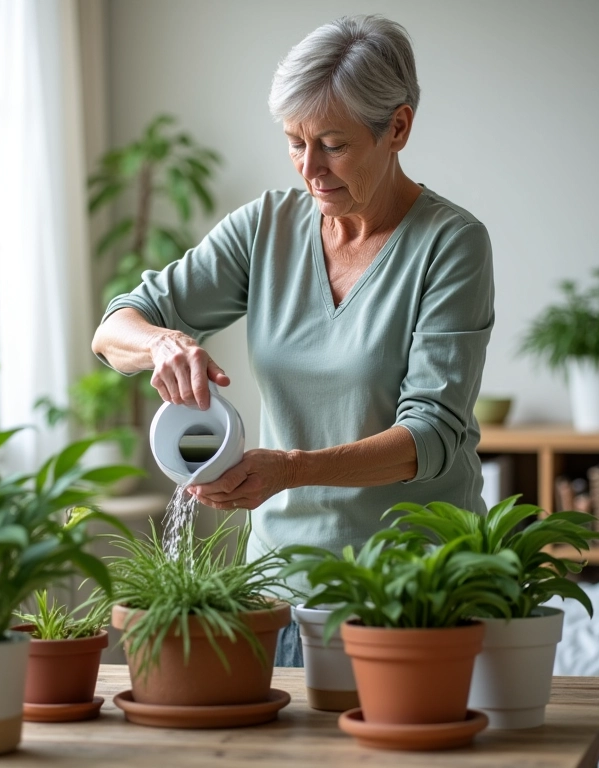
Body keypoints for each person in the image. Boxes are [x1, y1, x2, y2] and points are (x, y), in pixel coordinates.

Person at [92, 15, 494, 666]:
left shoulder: (450, 244)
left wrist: (294, 471)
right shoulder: (267, 228)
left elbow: (433, 435)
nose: (311, 168)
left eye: (332, 144)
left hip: (417, 597)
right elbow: (115, 326)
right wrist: (163, 343)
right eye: (294, 141)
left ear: (397, 127)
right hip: (285, 591)